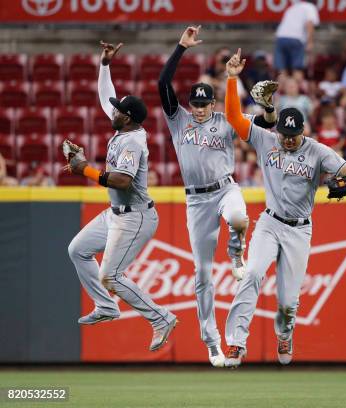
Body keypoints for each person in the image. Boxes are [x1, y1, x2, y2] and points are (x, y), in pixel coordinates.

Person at [222, 48, 346, 367]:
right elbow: (233, 118)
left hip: (299, 229)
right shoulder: (266, 139)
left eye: (292, 135)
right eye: (283, 134)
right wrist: (232, 79)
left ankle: (284, 335)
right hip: (270, 223)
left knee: (288, 301)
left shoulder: (318, 151)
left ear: (303, 131)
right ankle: (236, 343)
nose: (286, 139)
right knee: (252, 274)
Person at [158, 26, 278, 367]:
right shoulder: (178, 120)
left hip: (225, 189)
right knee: (202, 276)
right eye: (194, 103)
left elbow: (267, 124)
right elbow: (162, 85)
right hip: (196, 202)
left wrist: (268, 108)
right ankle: (212, 343)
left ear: (212, 103)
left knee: (239, 218)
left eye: (203, 103)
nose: (197, 109)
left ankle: (236, 253)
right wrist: (180, 48)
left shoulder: (226, 120)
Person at [67, 41, 177, 352]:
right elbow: (106, 96)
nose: (112, 110)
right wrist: (104, 65)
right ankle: (106, 307)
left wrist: (86, 171)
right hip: (116, 214)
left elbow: (123, 180)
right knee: (78, 249)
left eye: (118, 109)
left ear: (127, 117)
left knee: (111, 274)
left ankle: (160, 318)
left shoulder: (132, 142)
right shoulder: (123, 128)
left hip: (135, 215)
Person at [274, 0, 319, 77]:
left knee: (281, 71)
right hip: (296, 38)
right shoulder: (310, 7)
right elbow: (310, 24)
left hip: (280, 38)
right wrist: (310, 43)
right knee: (297, 69)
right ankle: (298, 88)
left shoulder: (292, 7)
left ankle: (282, 88)